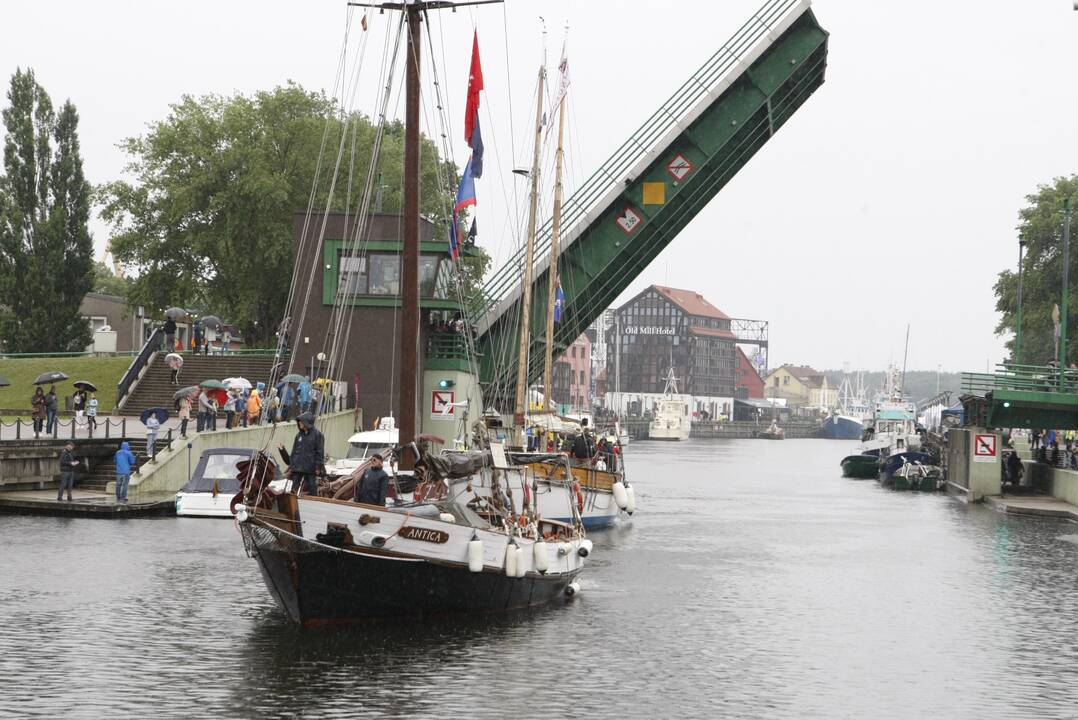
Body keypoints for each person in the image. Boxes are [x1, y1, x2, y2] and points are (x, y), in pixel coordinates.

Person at [278, 412, 325, 496]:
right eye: (299, 421)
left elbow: (320, 453)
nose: (299, 423)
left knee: (312, 487)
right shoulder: (298, 436)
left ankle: (312, 503)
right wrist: (283, 451)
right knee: (294, 488)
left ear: (306, 422)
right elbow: (294, 453)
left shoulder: (318, 435)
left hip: (311, 469)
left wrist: (318, 467)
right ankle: (292, 504)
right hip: (298, 468)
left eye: (301, 421)